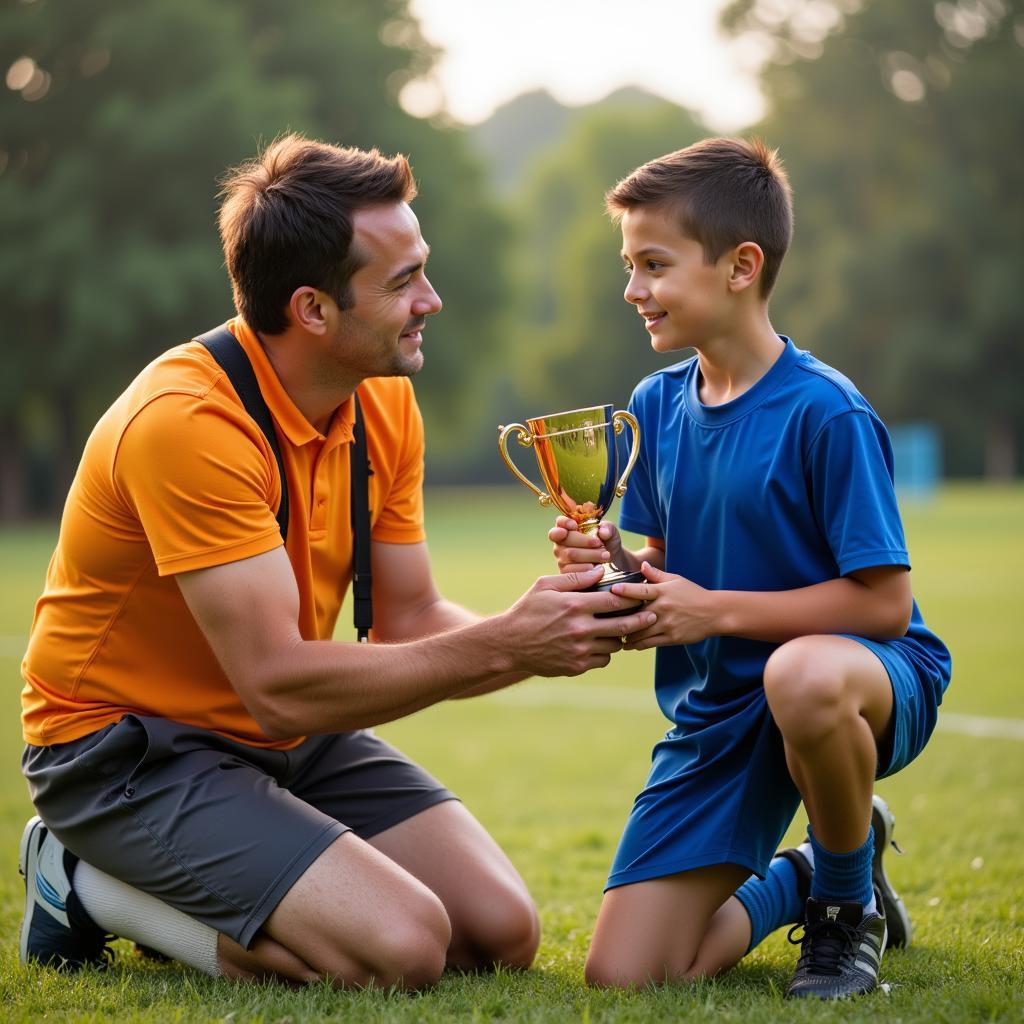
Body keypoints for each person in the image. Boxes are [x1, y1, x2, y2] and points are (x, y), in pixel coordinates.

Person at [18, 134, 655, 987]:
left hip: (286, 734)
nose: (431, 300)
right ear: (313, 309)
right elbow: (275, 682)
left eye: (422, 268)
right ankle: (83, 883)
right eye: (402, 283)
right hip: (126, 751)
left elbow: (411, 618)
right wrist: (510, 645)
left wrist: (561, 621)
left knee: (498, 933)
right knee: (399, 948)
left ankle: (200, 878)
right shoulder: (187, 425)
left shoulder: (383, 397)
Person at [549, 137, 951, 999]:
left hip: (858, 678)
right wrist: (612, 566)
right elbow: (672, 579)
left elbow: (883, 606)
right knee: (630, 974)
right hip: (720, 713)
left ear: (740, 266)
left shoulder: (826, 411)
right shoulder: (655, 408)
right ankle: (818, 867)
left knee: (799, 674)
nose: (632, 290)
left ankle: (845, 919)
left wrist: (717, 611)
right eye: (629, 265)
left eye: (653, 264)